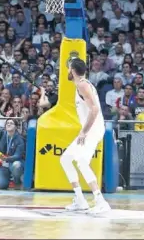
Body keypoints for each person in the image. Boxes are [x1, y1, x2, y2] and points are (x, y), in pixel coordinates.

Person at [57, 58, 110, 214]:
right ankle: (80, 199)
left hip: (93, 129)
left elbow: (94, 110)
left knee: (81, 161)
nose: (67, 71)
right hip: (91, 129)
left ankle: (100, 201)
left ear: (72, 70)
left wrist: (83, 132)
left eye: (68, 68)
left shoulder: (82, 85)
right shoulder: (81, 85)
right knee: (65, 159)